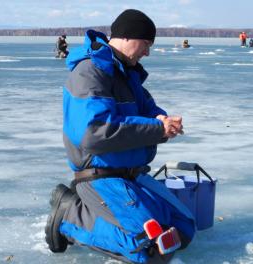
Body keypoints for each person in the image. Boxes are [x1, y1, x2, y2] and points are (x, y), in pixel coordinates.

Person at [45, 9, 196, 263]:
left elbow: (149, 109)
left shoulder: (128, 73)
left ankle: (128, 217)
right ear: (127, 36)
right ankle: (69, 215)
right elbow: (94, 132)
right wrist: (156, 129)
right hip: (101, 177)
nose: (147, 52)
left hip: (133, 175)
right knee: (148, 250)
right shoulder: (89, 73)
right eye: (146, 44)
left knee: (185, 228)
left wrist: (162, 120)